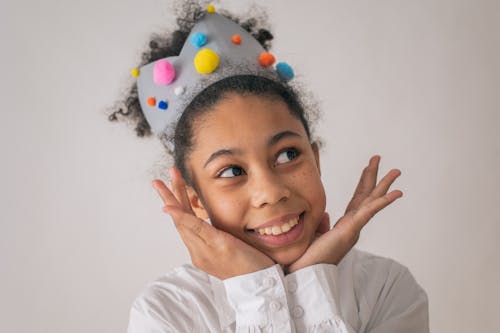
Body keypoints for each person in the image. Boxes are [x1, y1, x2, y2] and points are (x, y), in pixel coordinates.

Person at [110, 2, 429, 332]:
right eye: (232, 171)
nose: (271, 192)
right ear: (194, 201)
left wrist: (310, 280)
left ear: (315, 159)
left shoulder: (386, 288)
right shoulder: (165, 313)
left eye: (288, 155)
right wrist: (258, 291)